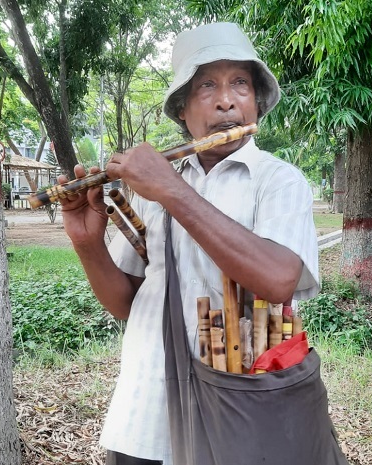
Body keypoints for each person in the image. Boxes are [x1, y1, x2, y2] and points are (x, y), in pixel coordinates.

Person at [58, 22, 320, 465]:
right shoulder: (155, 184)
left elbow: (278, 279)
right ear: (182, 109)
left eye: (240, 83)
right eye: (206, 86)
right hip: (145, 406)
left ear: (256, 101)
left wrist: (172, 192)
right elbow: (130, 302)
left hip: (239, 403)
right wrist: (87, 243)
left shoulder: (279, 181)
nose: (226, 99)